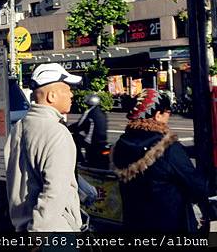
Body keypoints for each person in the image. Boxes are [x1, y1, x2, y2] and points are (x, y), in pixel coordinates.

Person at [112, 88, 209, 232]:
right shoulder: (166, 146)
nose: (168, 117)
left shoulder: (121, 144)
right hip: (170, 224)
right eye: (168, 113)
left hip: (134, 222)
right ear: (158, 115)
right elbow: (196, 185)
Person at [4, 63, 83, 232]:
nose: (71, 94)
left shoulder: (19, 126)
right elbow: (54, 192)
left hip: (21, 225)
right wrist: (39, 233)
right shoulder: (57, 132)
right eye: (67, 89)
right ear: (52, 96)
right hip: (53, 231)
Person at [69, 93, 108, 168]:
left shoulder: (88, 112)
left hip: (91, 141)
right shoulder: (102, 113)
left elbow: (79, 125)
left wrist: (68, 128)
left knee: (75, 137)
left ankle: (80, 160)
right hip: (103, 139)